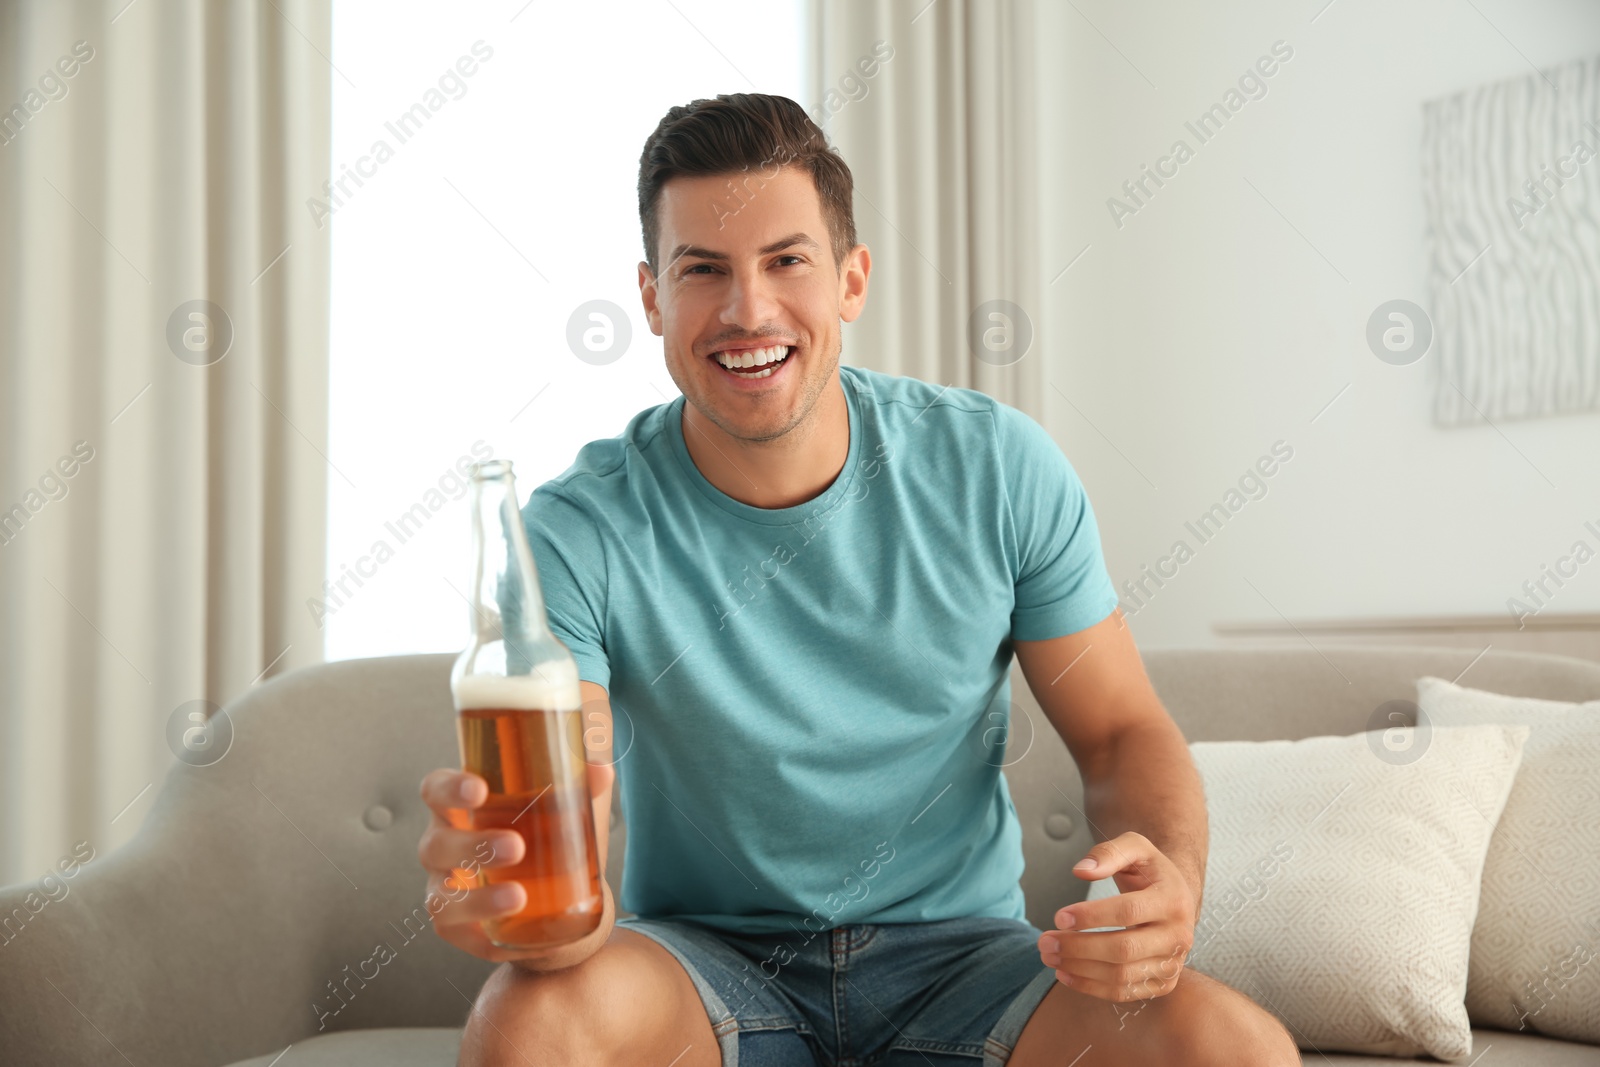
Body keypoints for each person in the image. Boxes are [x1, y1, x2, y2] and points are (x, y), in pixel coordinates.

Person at [417, 92, 1299, 1067]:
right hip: (701, 965)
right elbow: (570, 771)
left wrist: (1166, 878)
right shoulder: (577, 526)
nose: (747, 309)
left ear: (850, 279)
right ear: (652, 296)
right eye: (702, 269)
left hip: (966, 960)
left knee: (1234, 1047)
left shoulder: (997, 467)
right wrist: (532, 910)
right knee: (528, 1017)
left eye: (785, 261)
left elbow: (1121, 728)